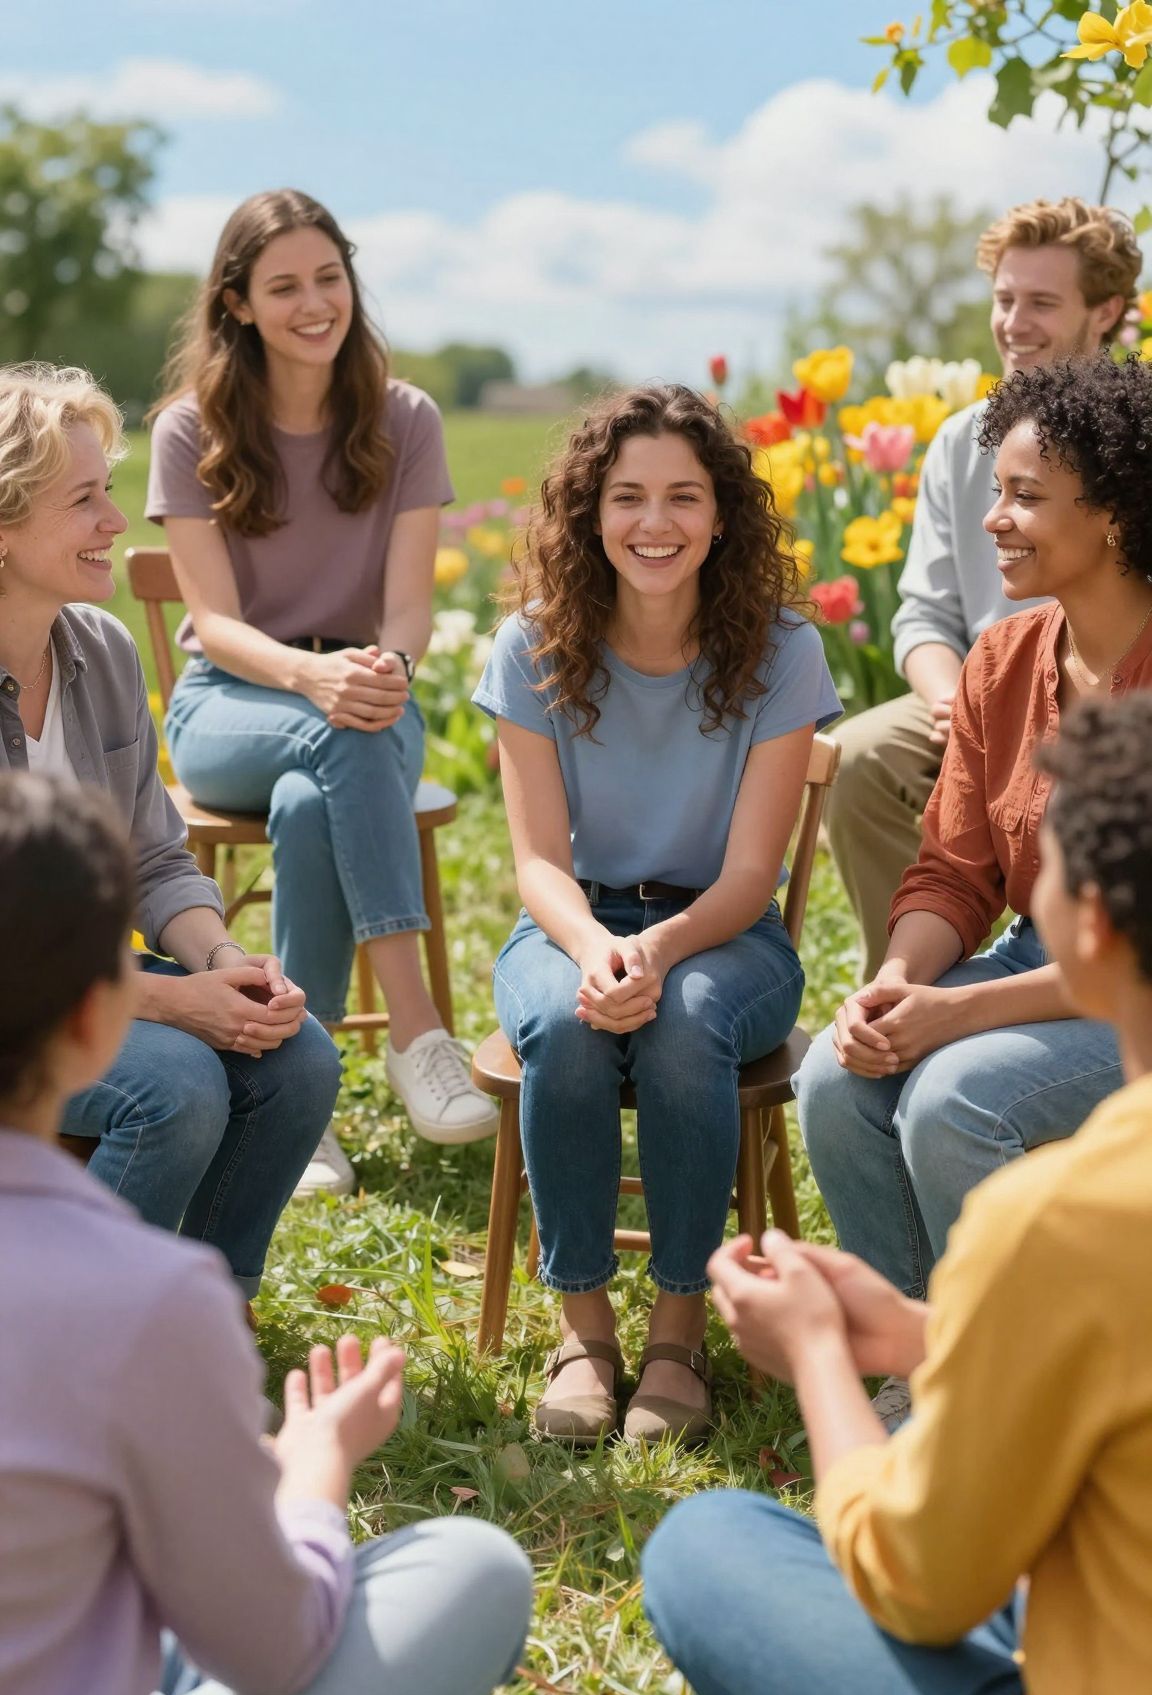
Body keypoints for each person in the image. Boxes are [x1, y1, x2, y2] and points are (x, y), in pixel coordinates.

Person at [644, 690, 1152, 1695]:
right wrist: (939, 1338)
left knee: (711, 1547)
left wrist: (823, 1355)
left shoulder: (1071, 1214)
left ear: (1083, 928)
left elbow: (917, 1581)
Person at [0, 774, 534, 1695]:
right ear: (98, 1024)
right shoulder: (147, 1292)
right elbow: (276, 1650)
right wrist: (311, 1477)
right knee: (473, 1568)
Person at [473, 385, 840, 1443]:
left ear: (723, 514)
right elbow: (538, 861)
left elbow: (747, 877)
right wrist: (597, 949)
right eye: (628, 496)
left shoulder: (780, 651)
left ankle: (678, 1332)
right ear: (591, 512)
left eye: (684, 496)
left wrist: (658, 949)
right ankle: (584, 1332)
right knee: (564, 1021)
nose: (656, 523)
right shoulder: (531, 644)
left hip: (726, 930)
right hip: (573, 919)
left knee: (685, 1029)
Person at [146, 188, 497, 1196]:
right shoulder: (190, 428)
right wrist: (314, 676)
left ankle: (298, 1096)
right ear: (239, 303)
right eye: (285, 285)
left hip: (365, 696)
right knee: (336, 741)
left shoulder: (404, 419)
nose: (315, 303)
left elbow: (409, 611)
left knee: (316, 796)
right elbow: (211, 624)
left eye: (329, 278)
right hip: (229, 702)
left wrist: (386, 669)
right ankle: (418, 1031)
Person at [794, 351, 1152, 1309]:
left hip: (1137, 979)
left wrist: (958, 1013)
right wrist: (898, 985)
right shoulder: (1002, 657)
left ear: (1113, 511)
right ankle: (917, 1355)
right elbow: (952, 870)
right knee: (834, 1076)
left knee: (956, 1098)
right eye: (998, 491)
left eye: (1026, 497)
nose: (994, 519)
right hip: (1047, 954)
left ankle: (1031, 1376)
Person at [0, 363, 339, 1301]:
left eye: (108, 491)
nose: (116, 521)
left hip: (81, 981)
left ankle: (204, 1318)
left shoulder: (98, 651)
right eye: (84, 500)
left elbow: (152, 853)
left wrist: (224, 962)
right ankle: (69, 1347)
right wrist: (166, 1005)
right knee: (176, 1090)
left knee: (299, 1054)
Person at [825, 196, 1141, 977]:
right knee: (862, 757)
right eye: (1005, 300)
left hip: (1107, 693)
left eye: (1042, 302)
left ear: (1104, 312)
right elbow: (926, 610)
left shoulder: (1136, 444)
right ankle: (901, 978)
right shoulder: (961, 442)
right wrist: (951, 696)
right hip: (981, 693)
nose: (1015, 322)